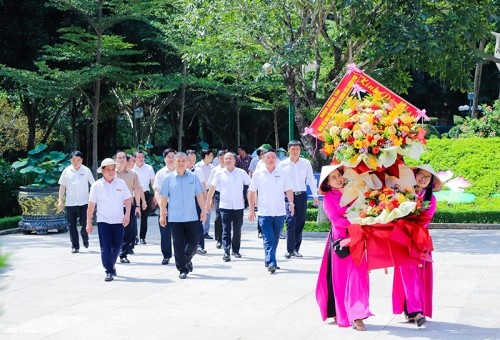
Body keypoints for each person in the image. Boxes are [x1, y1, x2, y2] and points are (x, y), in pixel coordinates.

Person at [317, 165, 372, 331]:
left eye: (339, 175)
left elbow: (365, 208)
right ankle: (344, 314)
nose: (339, 179)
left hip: (358, 238)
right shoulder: (328, 198)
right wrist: (356, 222)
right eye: (333, 178)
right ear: (327, 183)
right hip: (341, 239)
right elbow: (336, 220)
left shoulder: (354, 190)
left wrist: (366, 218)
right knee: (341, 279)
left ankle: (358, 314)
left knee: (359, 276)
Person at [392, 164, 442, 327]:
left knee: (418, 275)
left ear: (431, 182)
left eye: (427, 177)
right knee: (407, 272)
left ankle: (414, 310)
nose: (423, 179)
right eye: (421, 175)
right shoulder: (404, 193)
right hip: (402, 238)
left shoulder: (431, 200)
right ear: (415, 175)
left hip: (419, 240)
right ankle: (414, 310)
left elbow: (425, 220)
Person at [159, 152, 207, 279]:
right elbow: (164, 196)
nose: (180, 163)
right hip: (175, 217)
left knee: (193, 243)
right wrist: (162, 213)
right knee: (178, 244)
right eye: (178, 161)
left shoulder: (193, 177)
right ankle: (182, 269)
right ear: (174, 163)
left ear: (187, 162)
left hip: (191, 216)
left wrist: (203, 210)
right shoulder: (168, 178)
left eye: (183, 161)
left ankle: (185, 259)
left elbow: (199, 195)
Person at [248, 149, 294, 274]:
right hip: (264, 212)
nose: (270, 159)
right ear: (263, 158)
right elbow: (252, 191)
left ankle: (269, 259)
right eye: (268, 157)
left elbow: (289, 189)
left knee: (275, 238)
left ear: (276, 159)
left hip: (279, 212)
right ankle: (272, 262)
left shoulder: (282, 173)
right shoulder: (258, 173)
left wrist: (291, 203)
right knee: (268, 238)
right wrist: (251, 209)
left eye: (273, 157)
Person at [86, 158, 132, 282]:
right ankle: (109, 270)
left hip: (118, 220)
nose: (111, 172)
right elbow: (91, 205)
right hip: (103, 221)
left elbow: (128, 199)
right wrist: (88, 222)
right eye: (109, 170)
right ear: (102, 171)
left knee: (117, 247)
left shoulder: (121, 183)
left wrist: (127, 214)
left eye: (113, 169)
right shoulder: (96, 186)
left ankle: (111, 264)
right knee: (105, 247)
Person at [206, 152, 250, 262]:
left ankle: (236, 250)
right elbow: (212, 187)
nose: (228, 160)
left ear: (235, 160)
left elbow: (249, 186)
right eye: (226, 159)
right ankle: (226, 251)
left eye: (230, 158)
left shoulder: (241, 173)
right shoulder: (219, 173)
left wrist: (251, 202)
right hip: (225, 206)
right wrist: (208, 201)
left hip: (238, 206)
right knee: (226, 229)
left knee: (237, 230)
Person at [278, 140, 319, 259]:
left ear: (300, 150)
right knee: (290, 221)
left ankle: (296, 248)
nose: (295, 151)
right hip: (288, 196)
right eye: (293, 149)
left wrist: (315, 196)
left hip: (301, 195)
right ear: (288, 150)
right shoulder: (282, 165)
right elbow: (279, 182)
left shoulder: (306, 163)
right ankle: (289, 250)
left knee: (300, 222)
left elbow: (311, 179)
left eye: (297, 149)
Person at [57, 151, 95, 253]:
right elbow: (62, 187)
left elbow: (93, 185)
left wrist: (94, 199)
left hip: (84, 202)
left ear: (82, 160)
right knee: (71, 225)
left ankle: (84, 235)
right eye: (73, 160)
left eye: (78, 160)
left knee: (84, 223)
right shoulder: (66, 171)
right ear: (71, 160)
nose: (76, 162)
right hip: (70, 203)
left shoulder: (86, 170)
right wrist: (60, 200)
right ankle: (75, 246)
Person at [115, 150, 143, 264]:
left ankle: (123, 254)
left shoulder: (133, 174)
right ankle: (114, 251)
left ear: (126, 160)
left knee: (127, 231)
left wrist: (137, 206)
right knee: (115, 230)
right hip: (114, 206)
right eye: (119, 158)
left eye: (123, 158)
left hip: (128, 206)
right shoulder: (111, 173)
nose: (121, 160)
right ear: (115, 160)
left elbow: (136, 190)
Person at [152, 148, 176, 265]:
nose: (171, 159)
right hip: (165, 205)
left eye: (173, 156)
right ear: (164, 159)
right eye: (169, 157)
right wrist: (162, 208)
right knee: (165, 233)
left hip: (179, 206)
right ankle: (166, 255)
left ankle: (181, 254)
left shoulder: (182, 171)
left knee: (180, 232)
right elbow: (157, 191)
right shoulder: (161, 173)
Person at [186, 149, 208, 255]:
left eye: (193, 160)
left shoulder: (198, 170)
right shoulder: (181, 170)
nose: (191, 162)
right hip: (184, 200)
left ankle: (200, 245)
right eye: (189, 159)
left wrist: (206, 200)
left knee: (199, 222)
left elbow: (203, 186)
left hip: (197, 199)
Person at [134, 150, 156, 245]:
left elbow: (153, 182)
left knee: (144, 217)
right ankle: (134, 236)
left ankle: (142, 237)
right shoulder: (131, 169)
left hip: (145, 194)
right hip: (133, 195)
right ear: (135, 158)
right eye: (138, 157)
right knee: (132, 217)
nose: (141, 159)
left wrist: (155, 194)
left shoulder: (149, 168)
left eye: (142, 157)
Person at [207, 149, 226, 248]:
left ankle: (226, 239)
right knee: (218, 216)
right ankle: (219, 239)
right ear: (218, 159)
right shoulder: (215, 170)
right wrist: (210, 199)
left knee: (227, 218)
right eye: (221, 158)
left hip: (229, 195)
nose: (223, 160)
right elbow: (210, 185)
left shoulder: (231, 168)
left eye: (225, 157)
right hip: (218, 195)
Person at [196, 149, 214, 239]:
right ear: (206, 156)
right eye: (211, 155)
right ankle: (199, 230)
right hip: (199, 192)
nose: (212, 157)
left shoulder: (212, 167)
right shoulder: (197, 166)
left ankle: (205, 232)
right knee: (200, 210)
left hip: (208, 190)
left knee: (208, 211)